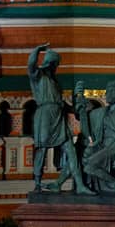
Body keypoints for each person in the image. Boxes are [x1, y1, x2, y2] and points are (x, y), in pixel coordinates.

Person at [27, 43, 87, 194]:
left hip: (59, 117)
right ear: (51, 63)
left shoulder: (56, 83)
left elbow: (61, 104)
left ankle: (79, 185)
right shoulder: (38, 76)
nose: (56, 68)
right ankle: (37, 183)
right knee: (42, 149)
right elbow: (31, 65)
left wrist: (75, 107)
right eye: (55, 65)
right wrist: (37, 50)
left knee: (71, 150)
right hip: (45, 117)